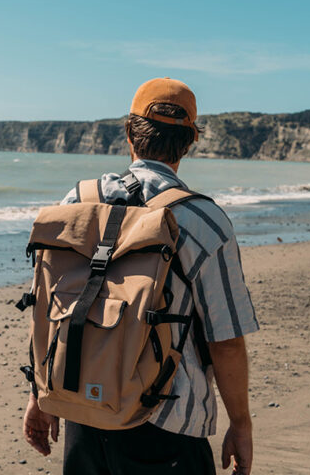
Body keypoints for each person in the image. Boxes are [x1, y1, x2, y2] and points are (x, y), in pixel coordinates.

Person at [22, 77, 259, 475]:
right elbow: (227, 341)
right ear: (189, 142)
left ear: (130, 133)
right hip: (168, 424)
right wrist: (241, 423)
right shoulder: (204, 222)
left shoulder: (78, 201)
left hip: (82, 410)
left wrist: (41, 395)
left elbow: (48, 307)